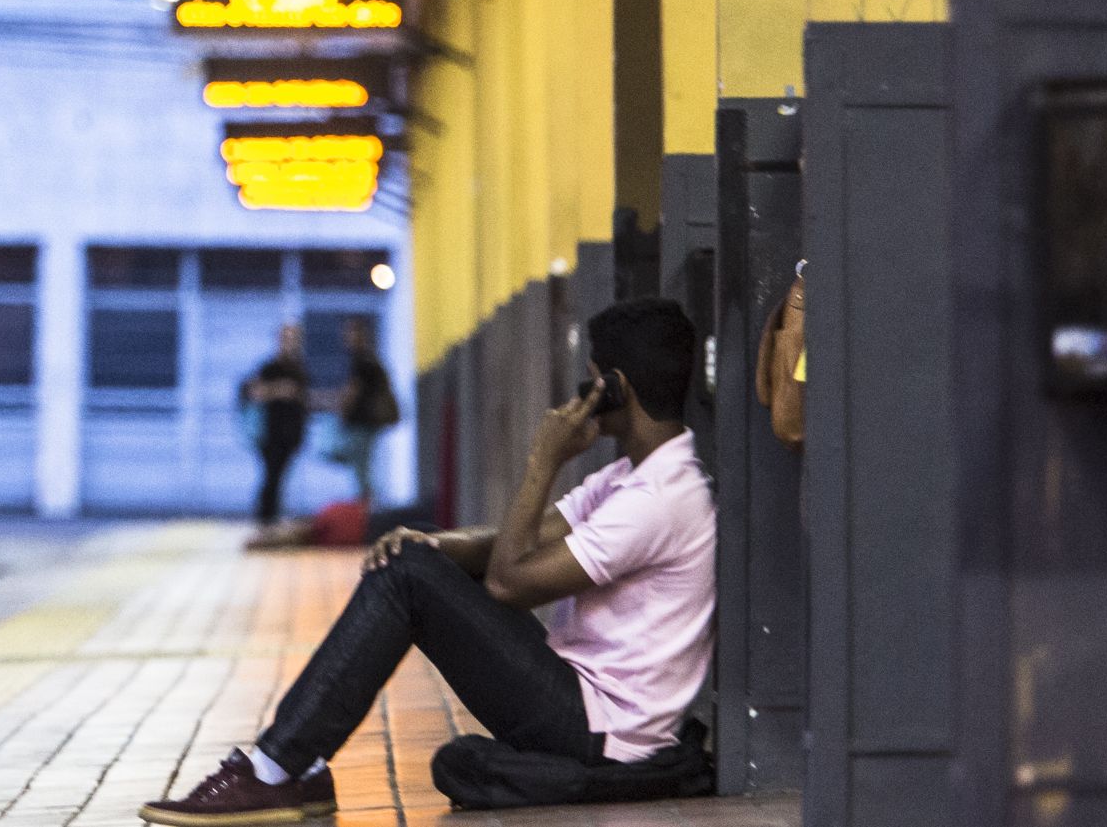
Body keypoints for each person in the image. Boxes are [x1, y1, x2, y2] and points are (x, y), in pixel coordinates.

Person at [144, 297, 714, 824]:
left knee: (409, 578)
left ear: (614, 388)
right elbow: (516, 540)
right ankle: (296, 767)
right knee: (415, 556)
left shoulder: (659, 499)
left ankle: (277, 770)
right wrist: (429, 545)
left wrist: (543, 462)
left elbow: (509, 581)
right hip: (584, 703)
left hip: (601, 731)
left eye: (589, 379)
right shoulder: (628, 477)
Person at [239, 323, 311, 528]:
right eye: (287, 338)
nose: (291, 343)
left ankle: (273, 517)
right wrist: (280, 390)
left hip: (292, 432)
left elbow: (304, 400)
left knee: (279, 478)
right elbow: (254, 392)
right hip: (271, 433)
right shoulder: (270, 368)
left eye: (294, 339)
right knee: (271, 476)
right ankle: (265, 519)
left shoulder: (299, 369)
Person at [324, 318, 399, 504]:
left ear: (361, 335)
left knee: (361, 468)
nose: (347, 337)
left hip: (362, 422)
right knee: (361, 466)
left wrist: (342, 411)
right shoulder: (368, 359)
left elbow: (353, 391)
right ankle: (366, 506)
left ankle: (367, 508)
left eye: (351, 333)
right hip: (366, 422)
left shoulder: (362, 360)